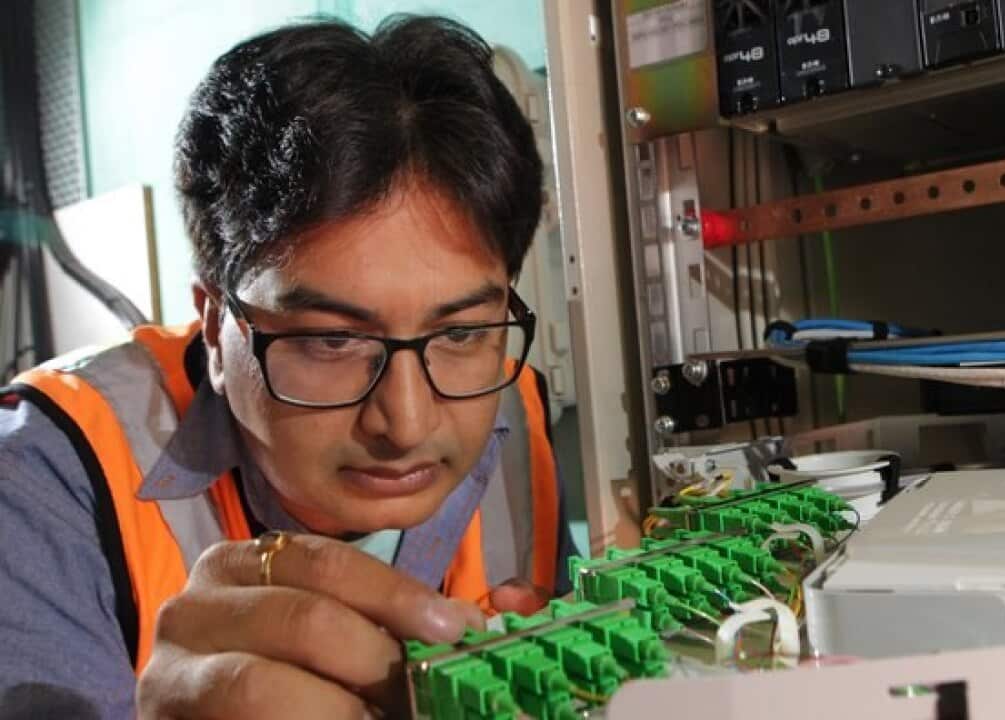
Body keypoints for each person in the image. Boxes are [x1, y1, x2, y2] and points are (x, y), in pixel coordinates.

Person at [0, 15, 576, 719]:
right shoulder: (40, 484)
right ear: (216, 330)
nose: (406, 423)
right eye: (332, 341)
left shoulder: (516, 414)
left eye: (460, 332)